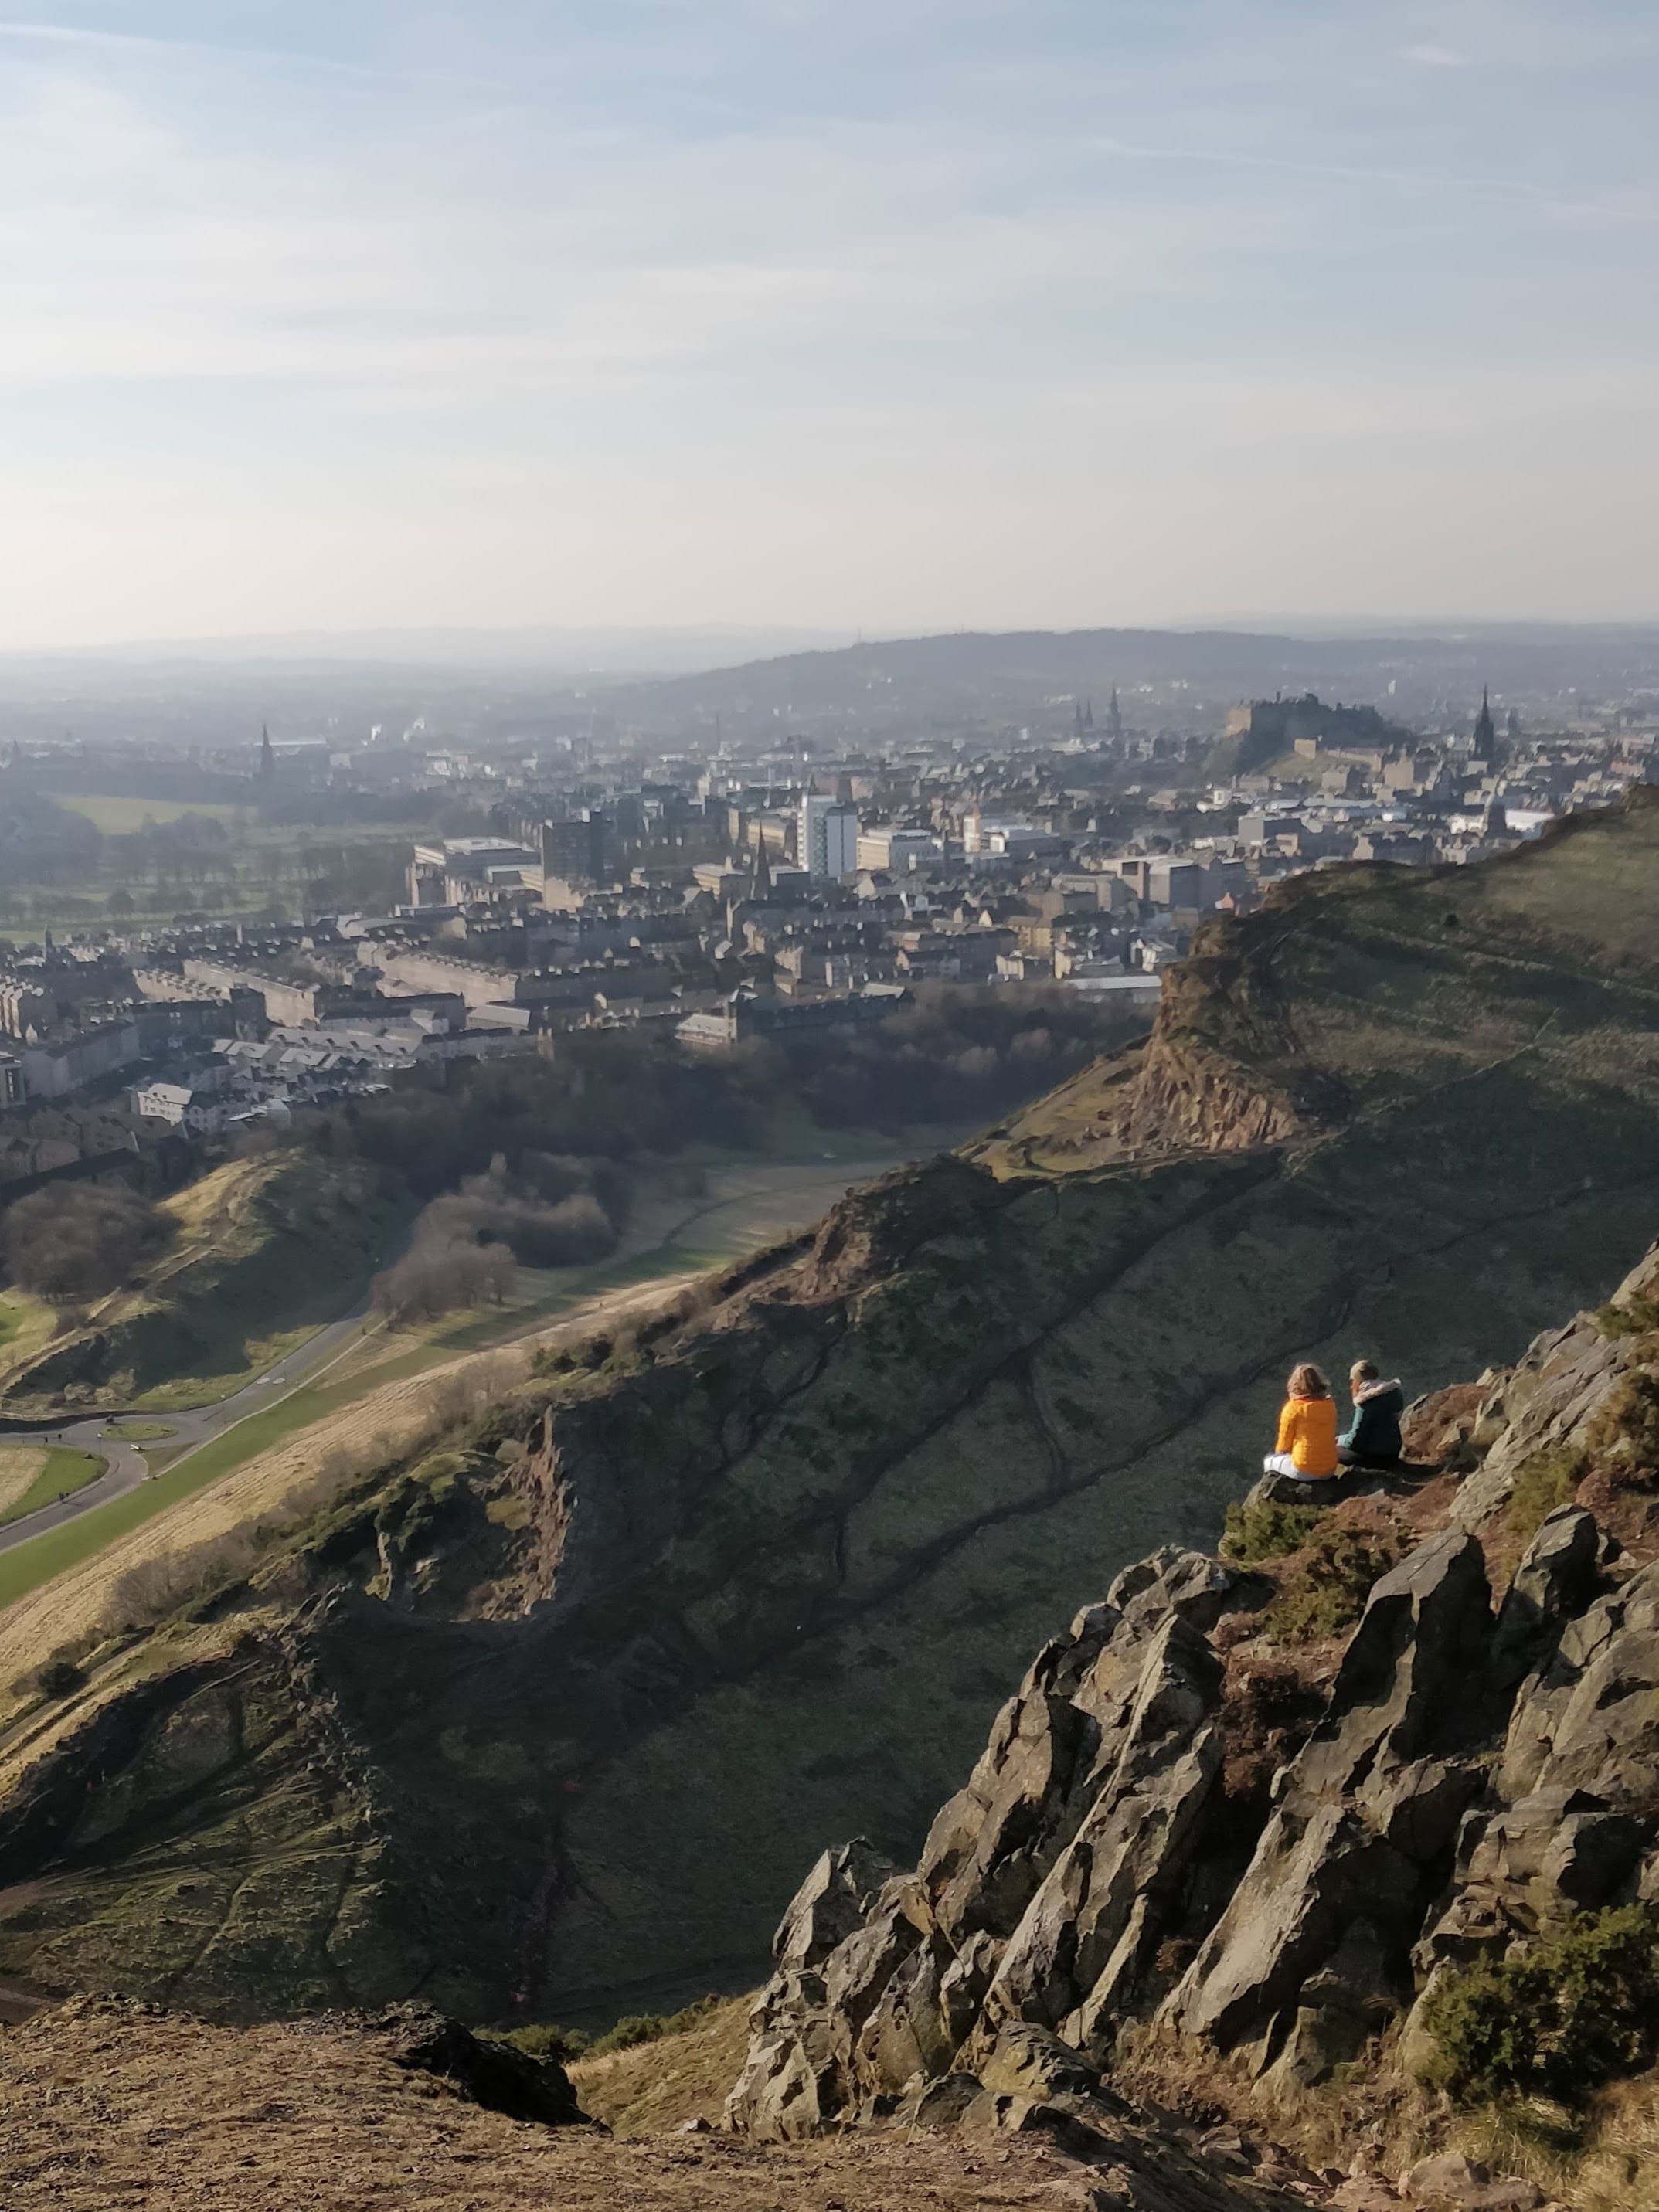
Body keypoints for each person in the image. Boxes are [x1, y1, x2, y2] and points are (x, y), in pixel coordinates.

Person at [1262, 1362, 1340, 1484]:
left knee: (1268, 1461)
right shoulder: (1330, 1405)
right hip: (1330, 1469)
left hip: (1304, 1469)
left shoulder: (1293, 1408)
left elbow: (1283, 1447)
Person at [1338, 1361, 1405, 1468]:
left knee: (1331, 1451)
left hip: (1376, 1457)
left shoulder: (1366, 1400)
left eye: (1352, 1381)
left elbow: (1356, 1441)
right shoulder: (1391, 1394)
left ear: (1357, 1380)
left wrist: (1340, 1440)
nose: (1351, 1386)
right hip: (1393, 1452)